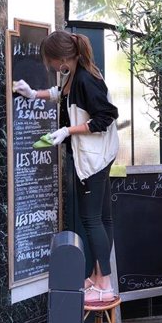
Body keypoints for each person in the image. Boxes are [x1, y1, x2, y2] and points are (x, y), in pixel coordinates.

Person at [13, 30, 119, 303]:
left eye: (49, 60)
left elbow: (106, 116)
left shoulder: (85, 79)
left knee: (91, 219)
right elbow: (63, 94)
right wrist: (33, 93)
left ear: (61, 58)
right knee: (103, 218)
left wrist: (68, 131)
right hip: (99, 156)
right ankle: (97, 277)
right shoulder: (76, 75)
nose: (48, 65)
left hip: (93, 159)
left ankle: (104, 284)